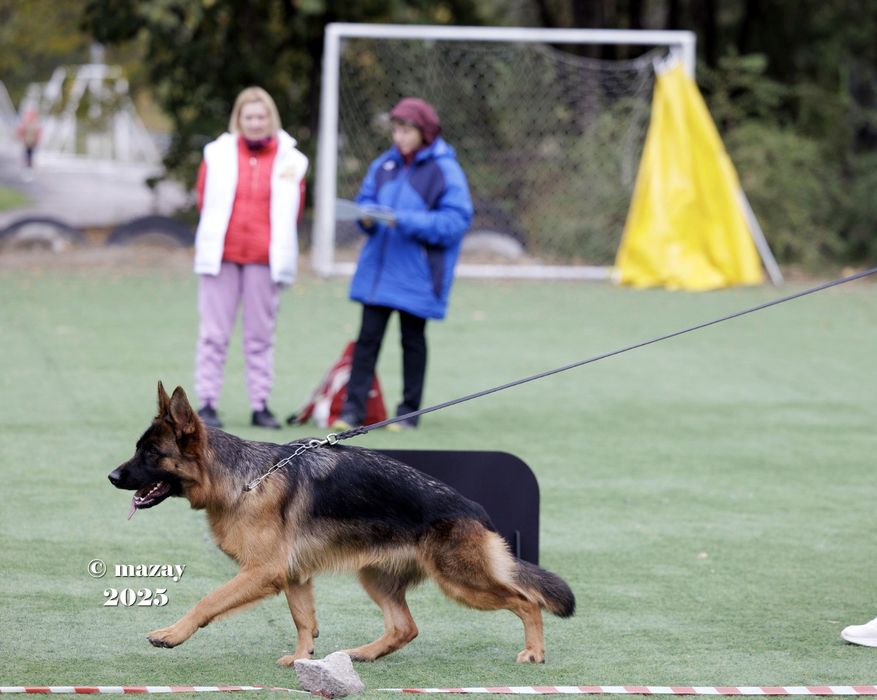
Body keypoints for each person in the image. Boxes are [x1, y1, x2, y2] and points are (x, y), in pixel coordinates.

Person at [332, 97, 473, 432]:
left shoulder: (445, 170)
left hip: (417, 276)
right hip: (378, 275)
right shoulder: (383, 165)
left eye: (406, 130)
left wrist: (402, 220)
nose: (399, 136)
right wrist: (365, 219)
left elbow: (455, 221)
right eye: (396, 129)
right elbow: (366, 202)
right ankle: (353, 412)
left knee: (412, 342)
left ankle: (408, 414)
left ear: (424, 132)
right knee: (366, 341)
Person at [192, 86, 307, 429]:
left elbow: (295, 210)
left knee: (260, 335)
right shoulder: (217, 154)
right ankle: (207, 402)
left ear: (271, 118)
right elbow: (203, 200)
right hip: (222, 255)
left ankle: (260, 404)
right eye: (249, 117)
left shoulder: (292, 160)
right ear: (238, 119)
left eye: (261, 116)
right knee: (214, 333)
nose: (256, 123)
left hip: (264, 258)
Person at [15, 108, 41, 180]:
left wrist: (37, 141)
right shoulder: (26, 123)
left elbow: (37, 133)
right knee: (26, 156)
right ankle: (26, 169)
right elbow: (21, 131)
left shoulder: (35, 124)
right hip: (27, 142)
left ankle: (30, 169)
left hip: (32, 143)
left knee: (30, 156)